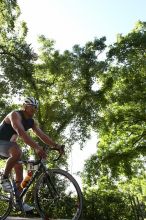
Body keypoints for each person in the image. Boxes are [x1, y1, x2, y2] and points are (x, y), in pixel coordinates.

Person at [0, 97, 64, 211]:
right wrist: (37, 147)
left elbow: (42, 135)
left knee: (21, 169)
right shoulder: (15, 115)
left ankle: (18, 202)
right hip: (2, 143)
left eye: (36, 107)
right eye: (32, 107)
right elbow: (21, 133)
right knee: (17, 151)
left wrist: (56, 146)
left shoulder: (32, 122)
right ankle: (4, 179)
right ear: (25, 106)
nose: (34, 109)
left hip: (9, 148)